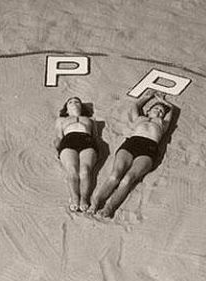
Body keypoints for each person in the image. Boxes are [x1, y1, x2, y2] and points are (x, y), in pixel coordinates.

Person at [89, 89, 174, 218]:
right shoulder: (139, 118)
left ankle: (109, 208)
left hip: (149, 149)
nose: (159, 111)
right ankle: (95, 202)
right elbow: (135, 105)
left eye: (162, 111)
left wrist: (163, 101)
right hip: (131, 144)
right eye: (156, 109)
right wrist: (146, 97)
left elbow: (172, 110)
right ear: (149, 111)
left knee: (128, 179)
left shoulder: (163, 124)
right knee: (115, 175)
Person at [54, 97, 97, 212]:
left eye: (77, 102)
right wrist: (58, 148)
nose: (74, 103)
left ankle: (84, 198)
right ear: (66, 109)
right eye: (70, 102)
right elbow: (59, 136)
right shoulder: (61, 120)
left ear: (81, 107)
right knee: (72, 169)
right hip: (69, 140)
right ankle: (74, 198)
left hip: (87, 140)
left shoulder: (90, 120)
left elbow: (96, 137)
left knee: (85, 170)